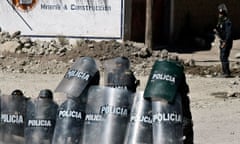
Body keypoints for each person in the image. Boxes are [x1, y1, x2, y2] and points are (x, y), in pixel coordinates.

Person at [214, 3, 233, 77]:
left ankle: (226, 73)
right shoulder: (221, 22)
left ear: (224, 14)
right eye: (219, 13)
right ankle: (224, 71)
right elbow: (220, 31)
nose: (219, 15)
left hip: (226, 42)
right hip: (222, 41)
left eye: (221, 13)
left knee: (224, 56)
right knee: (222, 56)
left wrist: (225, 42)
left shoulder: (227, 22)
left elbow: (229, 34)